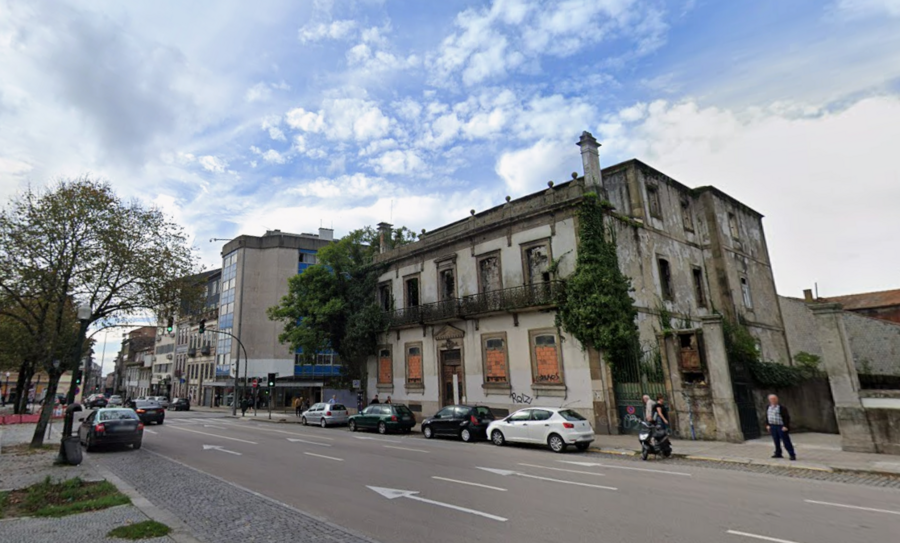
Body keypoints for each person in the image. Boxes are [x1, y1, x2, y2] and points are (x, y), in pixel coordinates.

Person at [766, 394, 796, 461]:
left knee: (786, 441)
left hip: (780, 426)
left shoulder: (781, 408)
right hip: (772, 425)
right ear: (769, 400)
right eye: (771, 399)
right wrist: (767, 424)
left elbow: (786, 417)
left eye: (774, 399)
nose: (773, 401)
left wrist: (786, 426)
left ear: (777, 399)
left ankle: (792, 454)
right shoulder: (768, 407)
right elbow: (767, 416)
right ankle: (778, 453)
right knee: (776, 440)